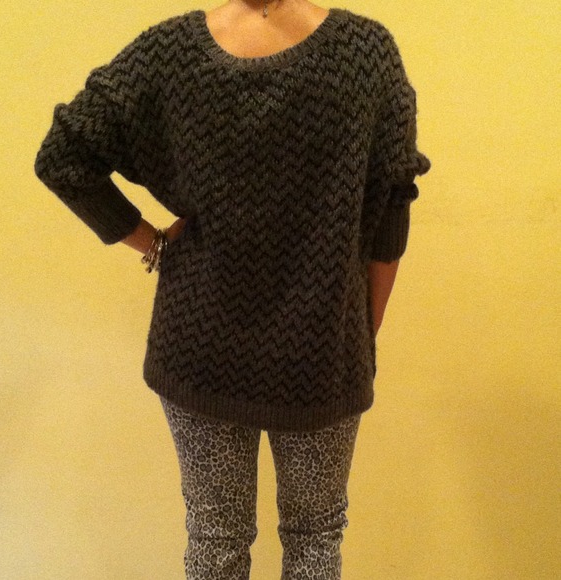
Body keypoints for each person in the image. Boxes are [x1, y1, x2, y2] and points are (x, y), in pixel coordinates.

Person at [34, 0, 431, 577]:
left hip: (198, 344)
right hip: (321, 349)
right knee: (315, 538)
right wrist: (356, 334)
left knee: (215, 537)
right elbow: (391, 213)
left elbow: (64, 156)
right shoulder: (366, 52)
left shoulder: (168, 53)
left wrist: (152, 243)